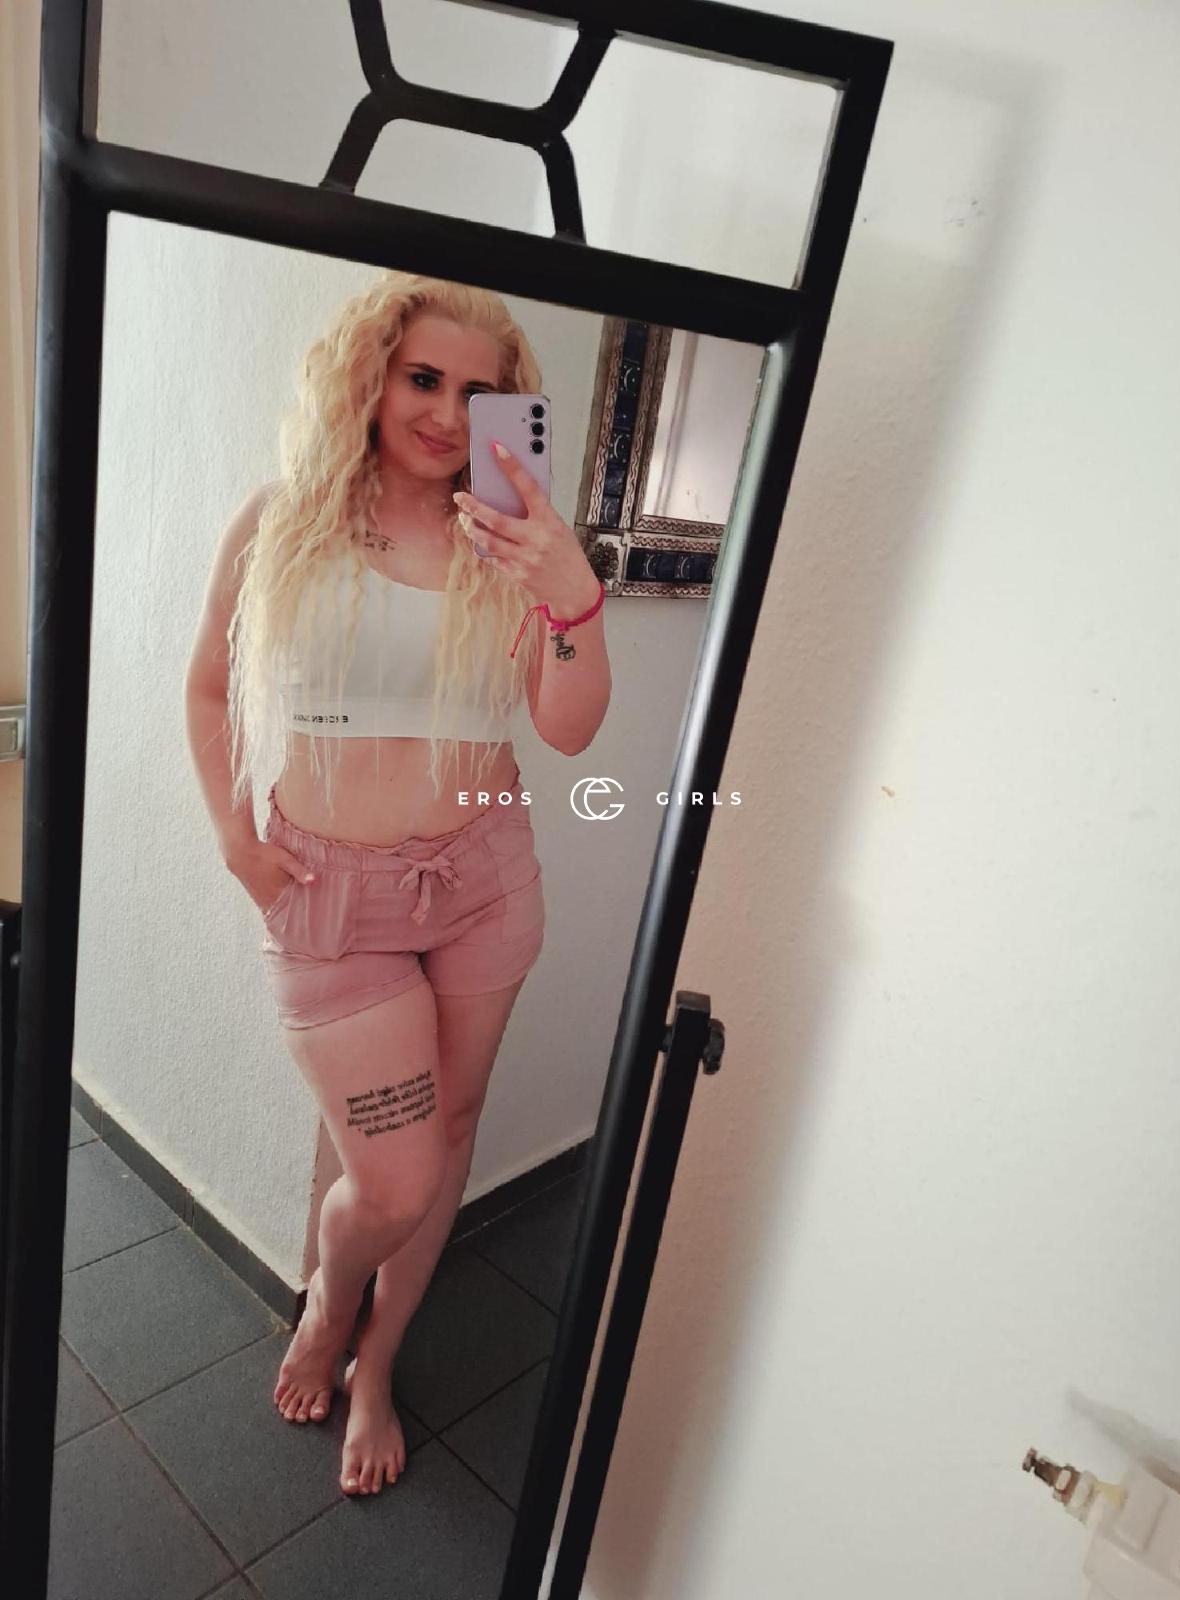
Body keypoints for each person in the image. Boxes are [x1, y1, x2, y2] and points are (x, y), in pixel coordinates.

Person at [184, 271, 611, 1498]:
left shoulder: (508, 545)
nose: (445, 412)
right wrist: (235, 838)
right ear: (369, 375)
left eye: (479, 393)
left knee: (453, 1133)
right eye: (424, 377)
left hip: (483, 880)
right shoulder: (285, 519)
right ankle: (329, 1305)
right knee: (394, 1173)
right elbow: (209, 687)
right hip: (330, 895)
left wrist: (569, 587)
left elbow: (570, 727)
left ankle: (376, 1360)